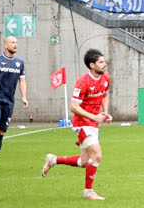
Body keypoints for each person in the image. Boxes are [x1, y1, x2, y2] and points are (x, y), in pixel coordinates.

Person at [43, 48, 112, 200]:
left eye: (104, 61)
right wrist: (94, 116)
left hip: (93, 124)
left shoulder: (106, 78)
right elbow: (73, 107)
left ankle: (53, 160)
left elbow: (105, 95)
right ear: (92, 65)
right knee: (97, 156)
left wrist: (105, 112)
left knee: (84, 162)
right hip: (81, 124)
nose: (104, 64)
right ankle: (88, 192)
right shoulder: (83, 82)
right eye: (101, 62)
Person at [0, 35, 27, 172]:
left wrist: (24, 97)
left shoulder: (19, 63)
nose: (15, 44)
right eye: (12, 42)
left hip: (9, 101)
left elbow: (22, 81)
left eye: (16, 42)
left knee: (1, 132)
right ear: (5, 45)